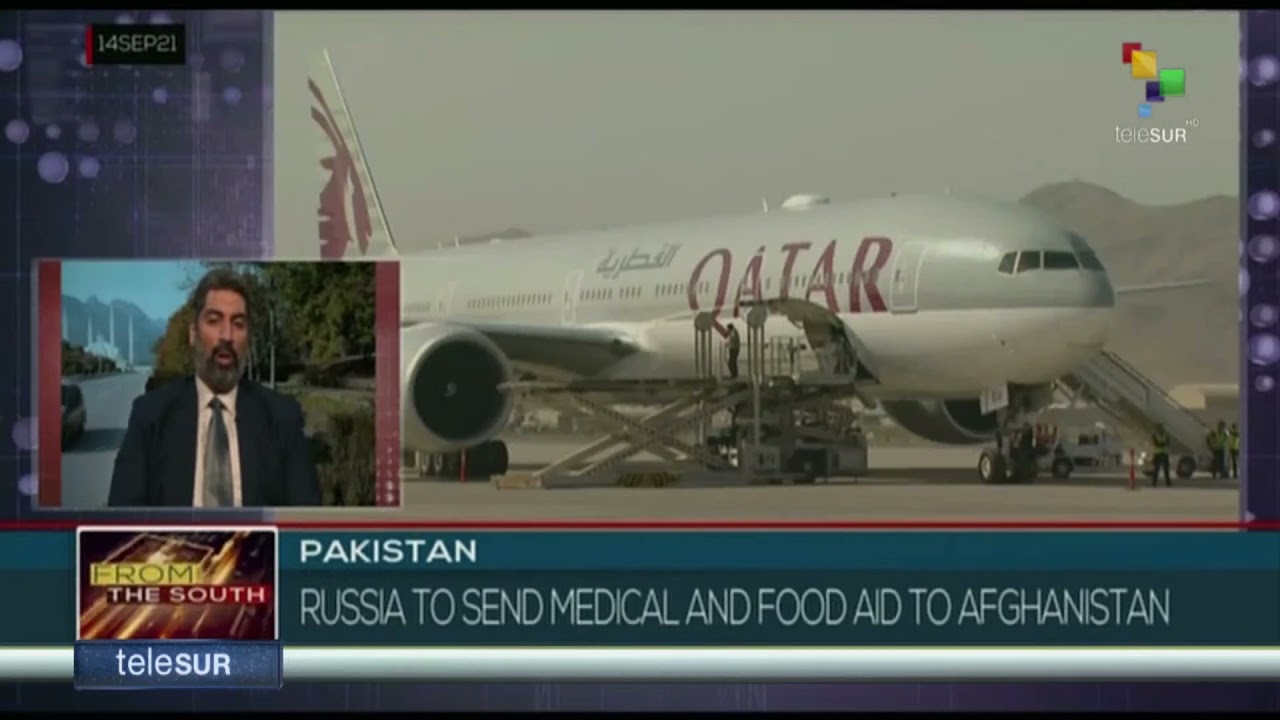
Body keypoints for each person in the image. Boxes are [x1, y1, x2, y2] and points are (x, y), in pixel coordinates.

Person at [108, 268, 321, 508]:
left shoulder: (282, 418)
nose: (226, 335)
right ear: (193, 333)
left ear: (248, 338)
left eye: (238, 323)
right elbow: (122, 518)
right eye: (213, 320)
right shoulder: (150, 416)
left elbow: (306, 520)